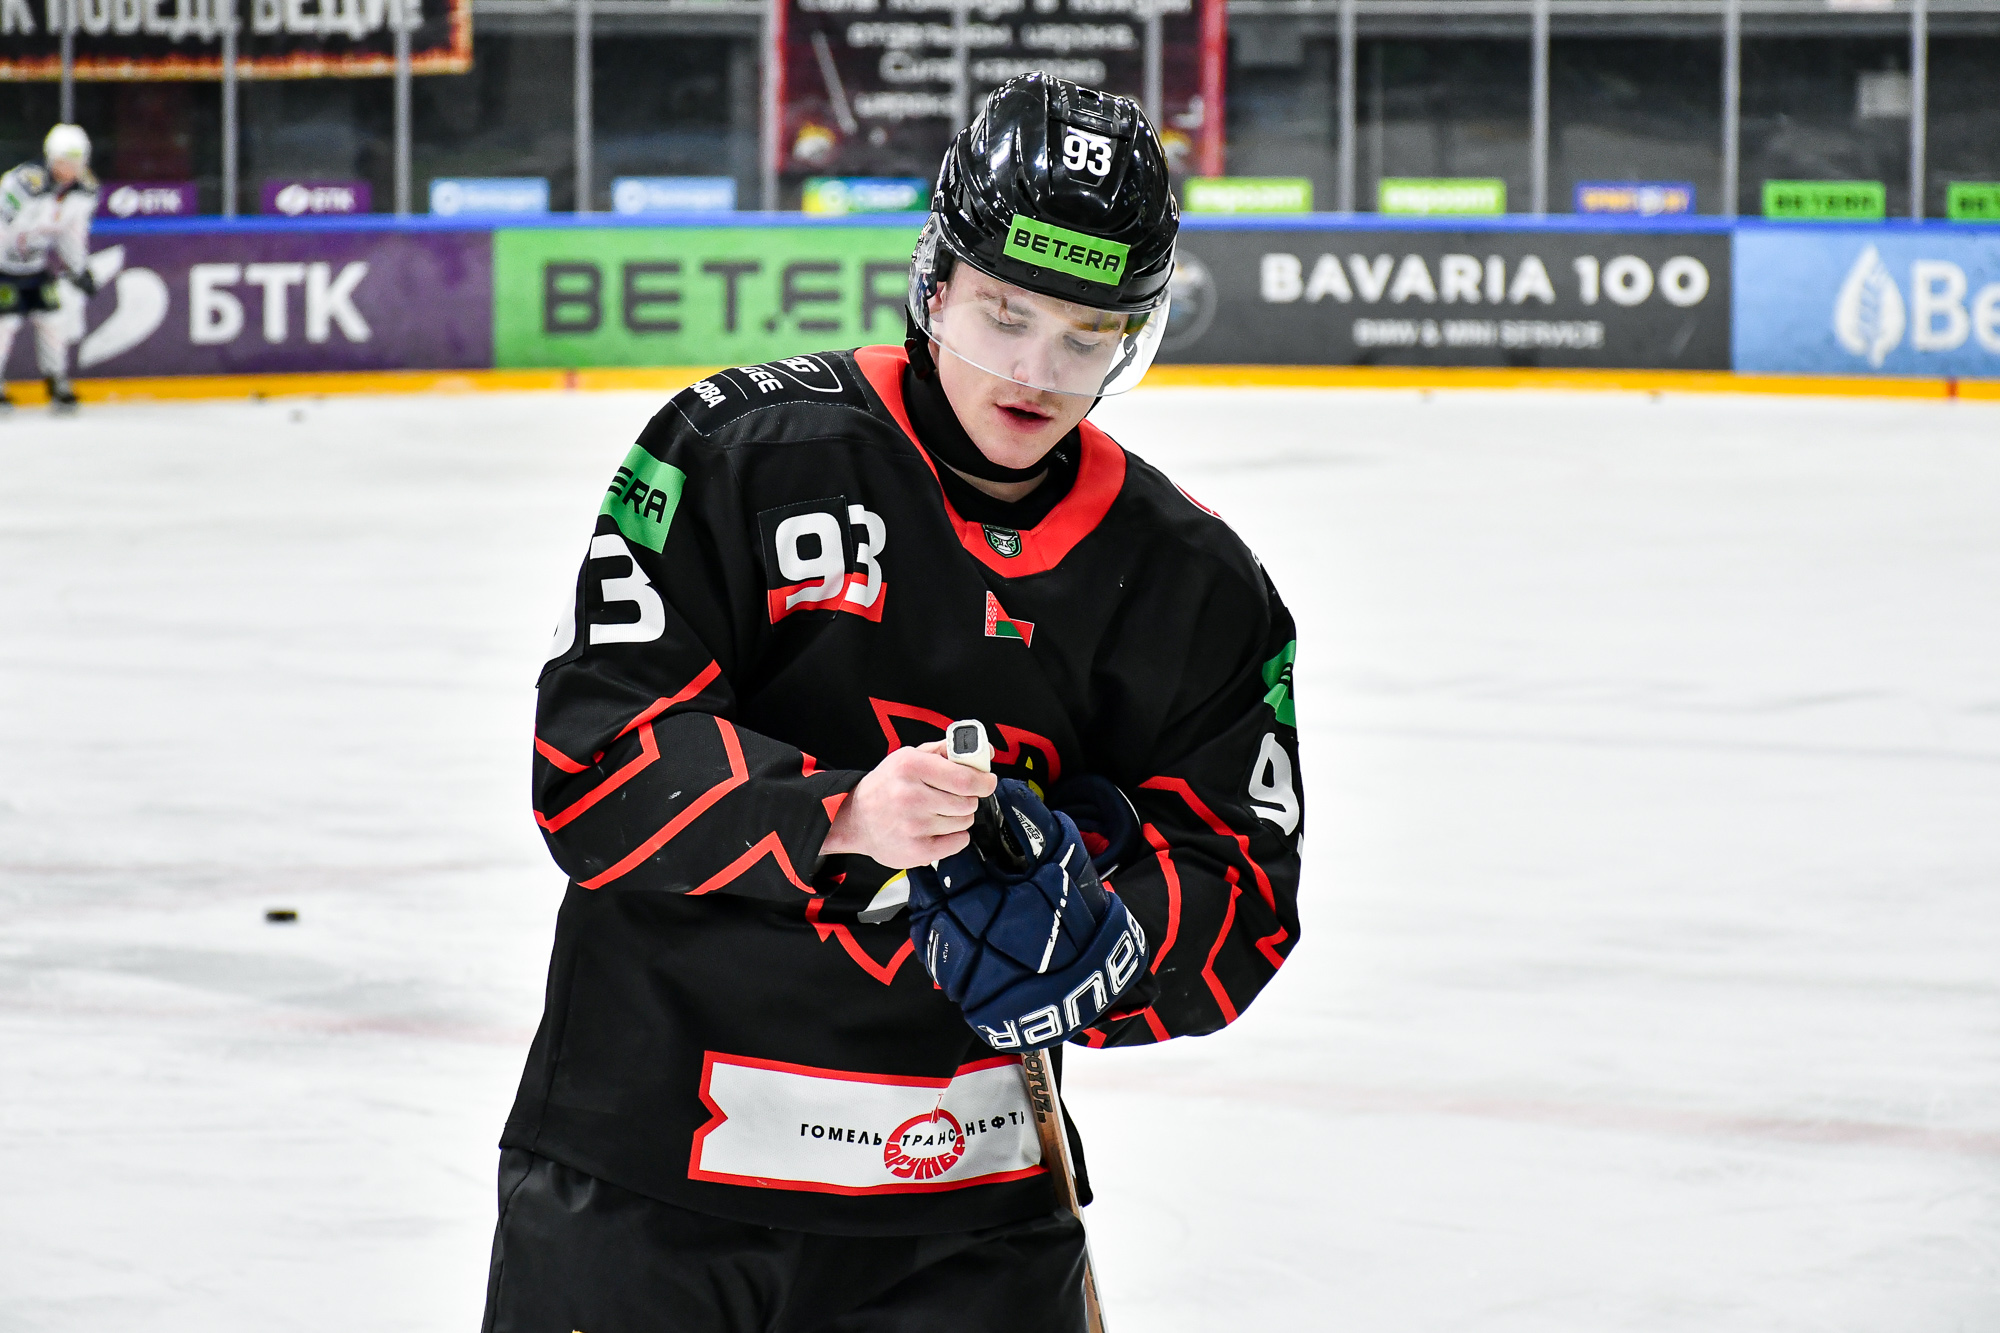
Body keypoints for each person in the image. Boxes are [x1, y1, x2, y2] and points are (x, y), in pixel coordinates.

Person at [484, 74, 1304, 1333]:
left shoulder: (1193, 585)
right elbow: (594, 762)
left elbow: (1241, 891)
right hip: (645, 1182)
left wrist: (1102, 936)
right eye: (1004, 314)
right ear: (934, 281)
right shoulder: (734, 453)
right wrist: (837, 815)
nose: (1035, 371)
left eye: (1086, 335)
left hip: (964, 1225)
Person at [0, 123, 99, 413]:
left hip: (36, 267)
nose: (70, 168)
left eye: (76, 161)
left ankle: (57, 382)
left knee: (53, 320)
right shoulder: (23, 184)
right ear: (51, 158)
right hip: (3, 266)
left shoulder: (84, 191)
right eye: (64, 161)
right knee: (5, 324)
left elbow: (73, 232)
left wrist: (78, 267)